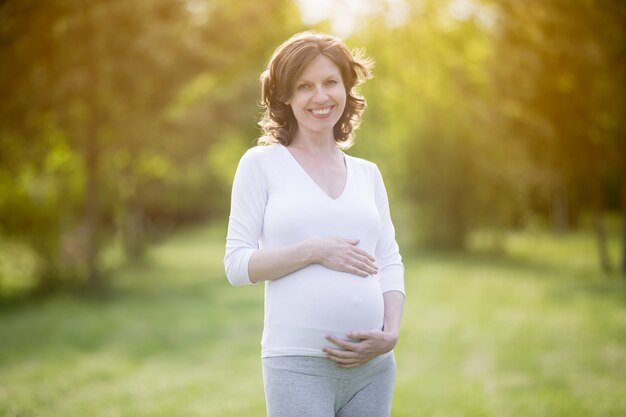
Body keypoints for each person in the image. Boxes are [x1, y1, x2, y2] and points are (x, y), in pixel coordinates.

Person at [224, 31, 405, 417]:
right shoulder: (262, 165)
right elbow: (237, 265)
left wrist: (390, 335)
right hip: (297, 365)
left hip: (372, 369)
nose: (320, 97)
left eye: (330, 83)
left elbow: (389, 262)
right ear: (285, 96)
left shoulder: (367, 174)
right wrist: (314, 250)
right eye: (304, 86)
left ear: (346, 89)